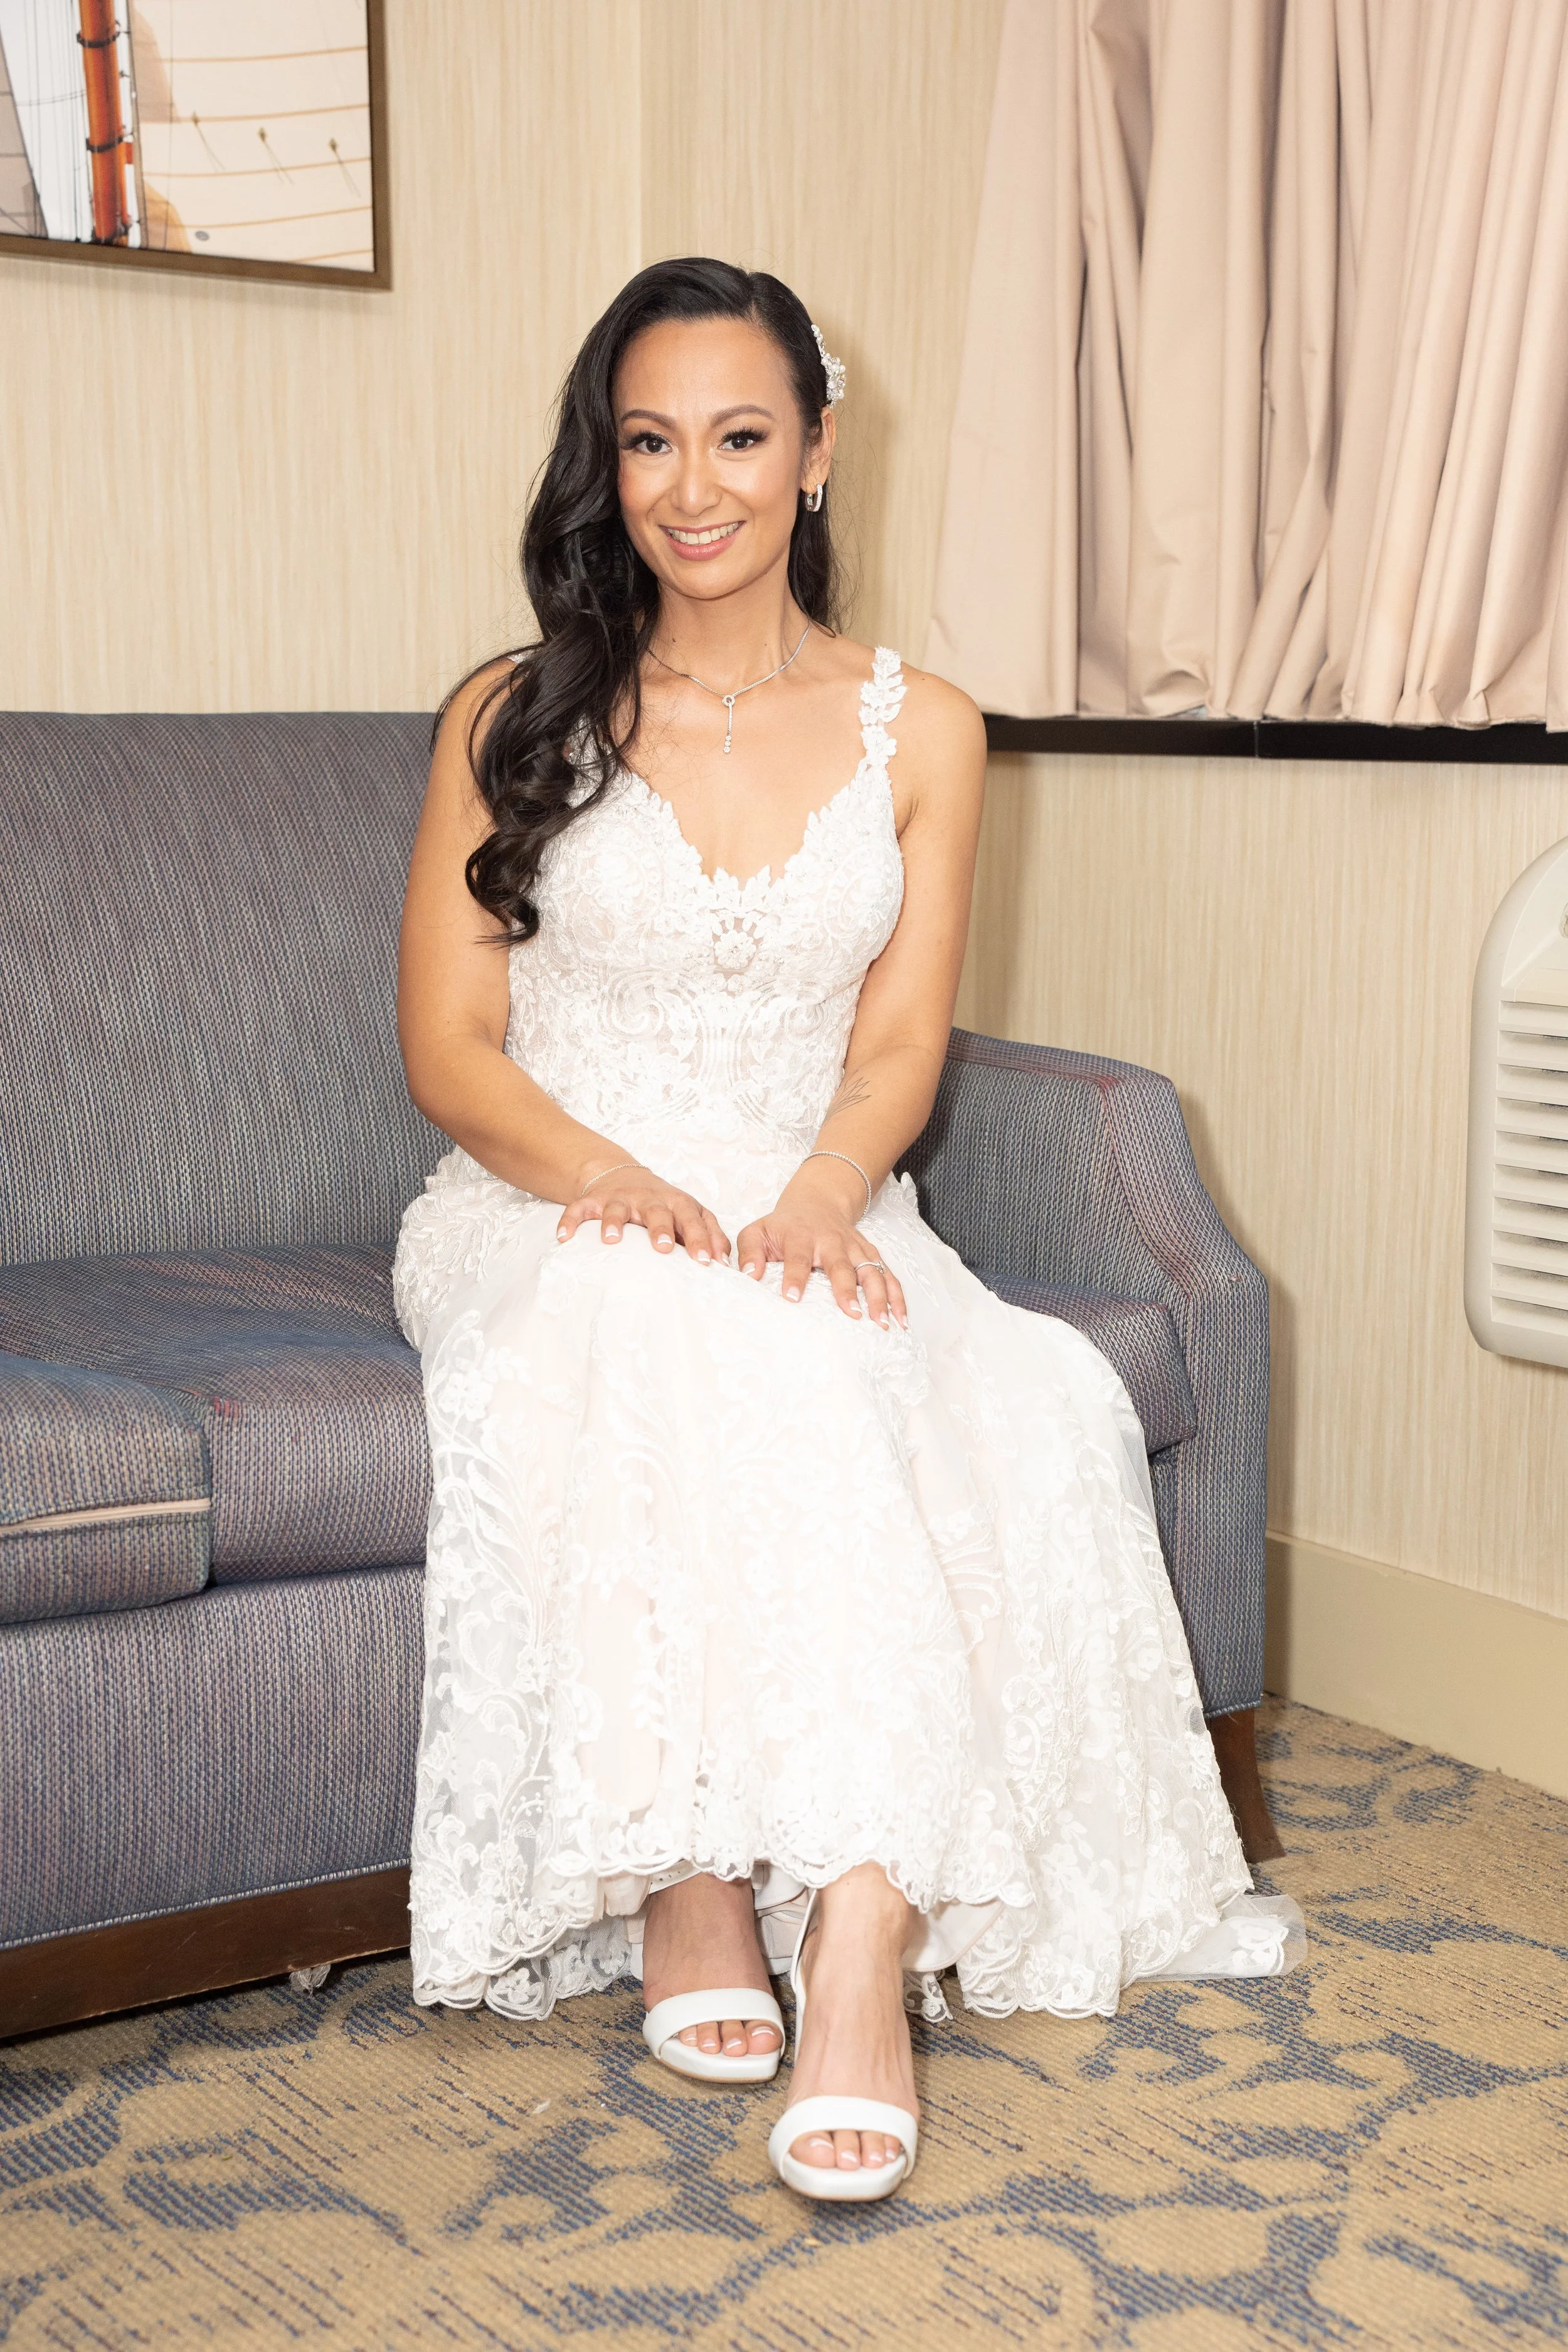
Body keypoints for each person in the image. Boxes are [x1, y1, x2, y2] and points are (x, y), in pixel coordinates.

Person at [393, 257, 1300, 2208]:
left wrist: (813, 1194)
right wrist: (610, 1182)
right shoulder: (512, 710)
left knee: (997, 1389)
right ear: (603, 460)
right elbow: (451, 1050)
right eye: (647, 441)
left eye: (737, 436)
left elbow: (895, 1043)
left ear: (815, 452)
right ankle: (692, 1872)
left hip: (813, 1185)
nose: (689, 486)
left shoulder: (927, 729)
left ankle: (864, 1938)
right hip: (550, 1188)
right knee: (668, 1313)